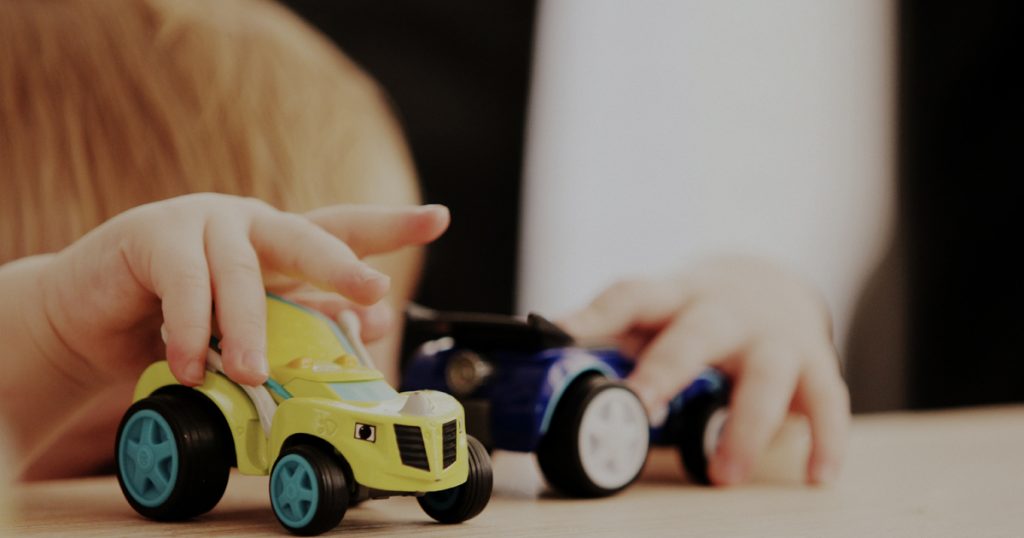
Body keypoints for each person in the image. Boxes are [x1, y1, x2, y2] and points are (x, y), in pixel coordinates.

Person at [0, 0, 848, 488]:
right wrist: (49, 334)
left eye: (352, 325)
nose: (364, 352)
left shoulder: (359, 378)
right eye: (98, 465)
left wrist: (749, 308)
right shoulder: (49, 363)